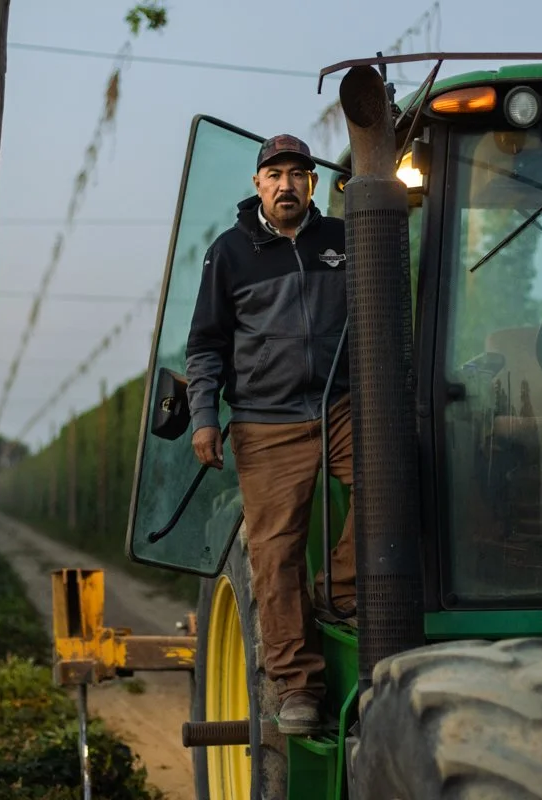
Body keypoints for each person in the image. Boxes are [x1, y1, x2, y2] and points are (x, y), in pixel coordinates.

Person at [184, 133, 356, 735]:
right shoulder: (228, 253)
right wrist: (205, 417)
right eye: (274, 174)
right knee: (274, 554)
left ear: (313, 183)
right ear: (257, 184)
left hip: (340, 405)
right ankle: (299, 687)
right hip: (266, 419)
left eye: (297, 173)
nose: (286, 184)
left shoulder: (342, 240)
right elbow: (205, 345)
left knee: (393, 483)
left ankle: (338, 591)